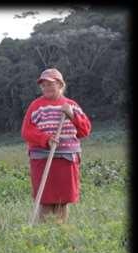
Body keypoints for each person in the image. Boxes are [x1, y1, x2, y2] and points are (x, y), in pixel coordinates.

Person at [21, 68, 92, 223]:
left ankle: (60, 233)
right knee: (45, 199)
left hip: (67, 159)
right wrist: (46, 139)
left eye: (50, 84)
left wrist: (72, 115)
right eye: (44, 85)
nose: (46, 87)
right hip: (42, 158)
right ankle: (43, 233)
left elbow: (85, 130)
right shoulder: (36, 106)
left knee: (63, 200)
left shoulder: (71, 105)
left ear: (60, 85)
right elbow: (26, 131)